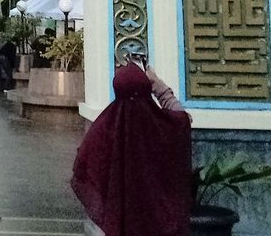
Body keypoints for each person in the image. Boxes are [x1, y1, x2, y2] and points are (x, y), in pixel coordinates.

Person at [70, 59, 192, 236]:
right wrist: (157, 85)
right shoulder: (161, 126)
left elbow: (84, 168)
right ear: (146, 89)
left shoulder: (105, 126)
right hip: (157, 222)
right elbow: (182, 118)